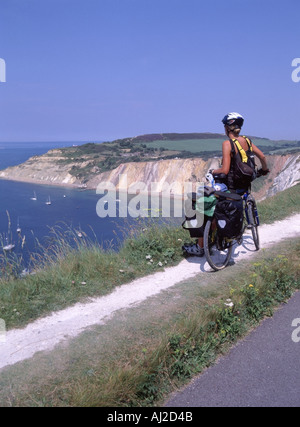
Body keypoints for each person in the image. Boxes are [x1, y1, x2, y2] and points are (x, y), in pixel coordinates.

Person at [182, 112, 270, 256]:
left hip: (231, 188)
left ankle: (200, 246)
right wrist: (264, 169)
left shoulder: (227, 144)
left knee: (202, 202)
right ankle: (214, 236)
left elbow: (225, 169)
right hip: (243, 186)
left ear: (227, 128)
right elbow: (262, 156)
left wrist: (213, 171)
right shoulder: (247, 141)